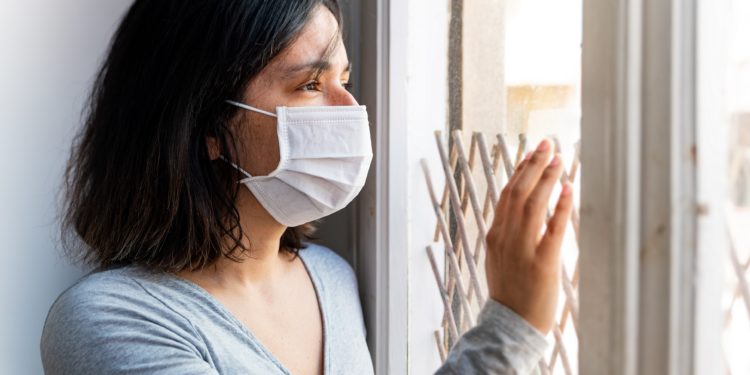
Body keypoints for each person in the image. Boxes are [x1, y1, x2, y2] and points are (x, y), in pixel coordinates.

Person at [40, 1, 573, 374]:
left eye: (346, 80)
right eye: (311, 85)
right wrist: (511, 327)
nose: (351, 111)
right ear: (206, 128)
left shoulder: (331, 278)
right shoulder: (106, 321)